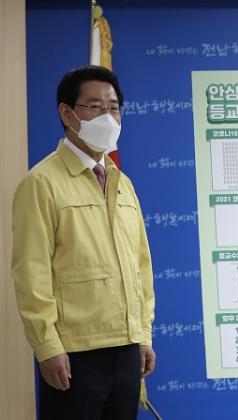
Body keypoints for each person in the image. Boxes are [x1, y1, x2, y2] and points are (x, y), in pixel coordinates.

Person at [11, 65, 156, 420]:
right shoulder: (41, 183)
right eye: (94, 107)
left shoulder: (122, 183)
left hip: (126, 350)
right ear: (67, 113)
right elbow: (31, 272)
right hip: (75, 354)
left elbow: (140, 265)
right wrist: (47, 346)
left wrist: (142, 334)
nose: (107, 117)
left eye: (113, 107)